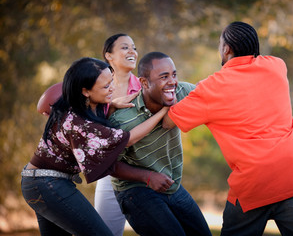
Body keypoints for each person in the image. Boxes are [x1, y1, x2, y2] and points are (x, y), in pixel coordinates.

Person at [163, 21, 293, 236]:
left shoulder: (212, 87)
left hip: (254, 184)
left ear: (226, 49)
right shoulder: (277, 66)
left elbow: (169, 121)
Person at [22, 57, 172, 236]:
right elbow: (129, 138)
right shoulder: (79, 123)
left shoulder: (81, 105)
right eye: (105, 87)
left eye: (111, 82)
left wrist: (111, 105)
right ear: (85, 91)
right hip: (47, 184)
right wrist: (164, 111)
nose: (112, 89)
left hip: (39, 183)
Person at [109, 52, 212, 236]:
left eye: (174, 74)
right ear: (145, 82)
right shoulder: (124, 118)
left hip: (170, 185)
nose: (172, 81)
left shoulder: (181, 92)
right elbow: (108, 165)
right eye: (164, 77)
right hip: (135, 189)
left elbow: (209, 94)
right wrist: (147, 176)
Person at [94, 33, 141, 236]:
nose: (132, 51)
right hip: (110, 170)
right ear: (109, 55)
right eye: (124, 47)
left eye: (134, 47)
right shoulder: (96, 88)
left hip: (143, 168)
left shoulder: (143, 86)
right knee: (106, 232)